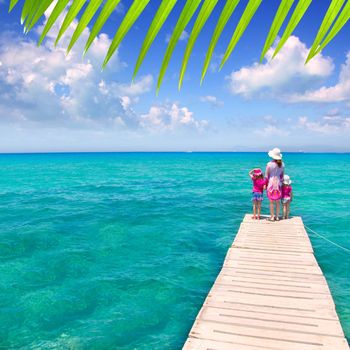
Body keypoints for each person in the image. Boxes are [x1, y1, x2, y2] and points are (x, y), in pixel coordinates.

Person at [265, 148, 284, 221]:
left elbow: (266, 176)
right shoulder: (282, 164)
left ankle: (272, 217)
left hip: (271, 184)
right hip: (279, 184)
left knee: (271, 202)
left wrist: (265, 184)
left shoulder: (269, 164)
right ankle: (277, 216)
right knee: (278, 202)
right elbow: (282, 176)